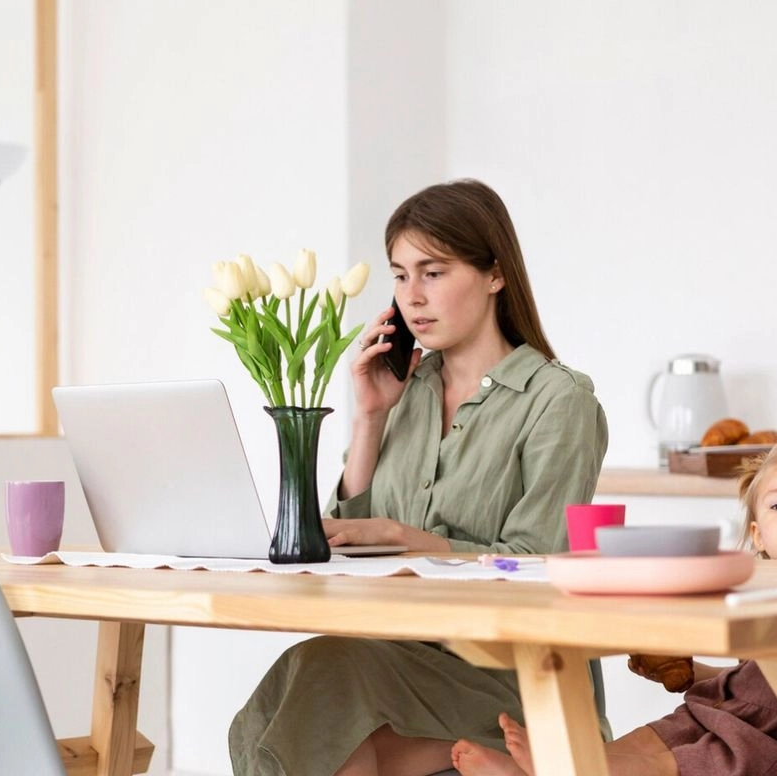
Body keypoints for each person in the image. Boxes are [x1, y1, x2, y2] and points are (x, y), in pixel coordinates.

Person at [228, 178, 609, 776]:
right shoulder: (406, 389)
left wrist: (412, 539)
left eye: (433, 272)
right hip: (398, 658)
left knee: (325, 680)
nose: (412, 296)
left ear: (494, 275)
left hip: (513, 677)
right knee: (299, 687)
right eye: (400, 275)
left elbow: (541, 566)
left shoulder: (558, 401)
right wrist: (371, 417)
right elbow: (347, 543)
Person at [450, 435, 777, 776]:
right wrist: (698, 671)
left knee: (658, 765)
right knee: (644, 741)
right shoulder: (768, 587)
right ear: (757, 534)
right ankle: (552, 770)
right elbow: (761, 678)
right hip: (724, 709)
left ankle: (561, 770)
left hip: (766, 738)